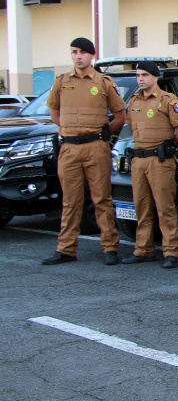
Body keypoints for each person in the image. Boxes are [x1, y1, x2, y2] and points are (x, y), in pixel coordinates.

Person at [42, 38, 127, 266]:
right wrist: (69, 130)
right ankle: (66, 249)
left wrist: (100, 136)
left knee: (102, 199)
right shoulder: (62, 81)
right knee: (70, 201)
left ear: (92, 55)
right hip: (69, 147)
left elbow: (120, 116)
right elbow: (54, 113)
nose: (78, 56)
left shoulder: (103, 82)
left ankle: (110, 248)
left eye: (82, 52)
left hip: (95, 147)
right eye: (74, 52)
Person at [121, 61, 178, 269]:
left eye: (145, 75)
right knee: (141, 208)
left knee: (164, 208)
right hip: (139, 160)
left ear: (155, 77)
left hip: (160, 161)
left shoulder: (168, 100)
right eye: (138, 75)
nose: (140, 78)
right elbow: (131, 127)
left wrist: (168, 149)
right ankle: (144, 249)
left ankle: (171, 251)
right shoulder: (134, 101)